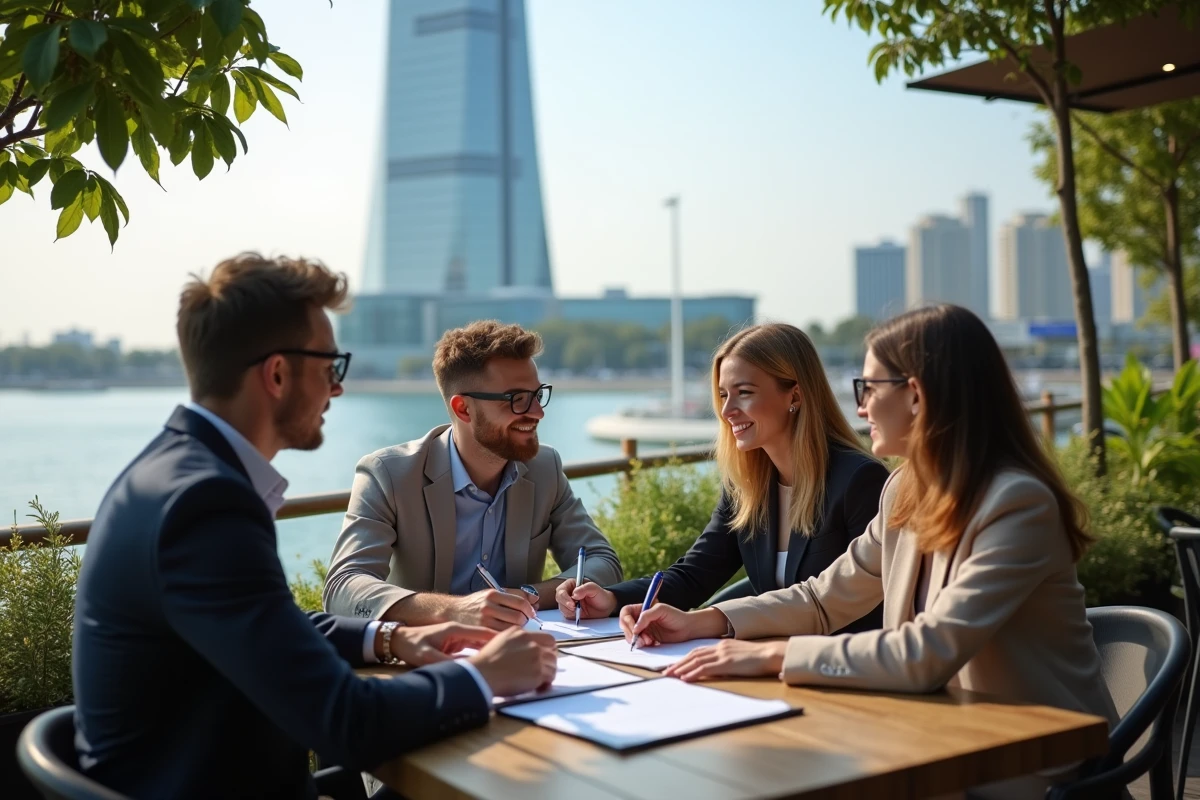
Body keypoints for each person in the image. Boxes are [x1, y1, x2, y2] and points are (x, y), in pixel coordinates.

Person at [72, 254, 557, 800]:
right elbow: (346, 722)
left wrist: (393, 636)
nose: (338, 389)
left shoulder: (173, 472)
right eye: (332, 367)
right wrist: (483, 675)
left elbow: (266, 622)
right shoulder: (205, 503)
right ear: (277, 374)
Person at [619, 305, 1118, 799]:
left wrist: (773, 655)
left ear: (916, 395)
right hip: (942, 733)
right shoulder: (905, 490)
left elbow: (926, 651)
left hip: (1037, 761)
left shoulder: (1016, 503)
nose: (859, 408)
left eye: (869, 388)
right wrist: (704, 622)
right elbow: (823, 598)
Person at [555, 323, 888, 631]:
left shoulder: (860, 481)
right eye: (724, 395)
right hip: (767, 665)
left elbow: (861, 606)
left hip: (839, 671)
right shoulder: (747, 486)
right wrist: (612, 599)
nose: (727, 411)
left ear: (795, 396)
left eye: (744, 392)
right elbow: (694, 575)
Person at [323, 320, 622, 631]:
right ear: (463, 409)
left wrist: (529, 595)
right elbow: (343, 590)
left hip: (524, 651)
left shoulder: (544, 467)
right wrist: (456, 610)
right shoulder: (389, 473)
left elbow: (603, 562)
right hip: (425, 658)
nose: (537, 412)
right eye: (517, 399)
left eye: (538, 395)